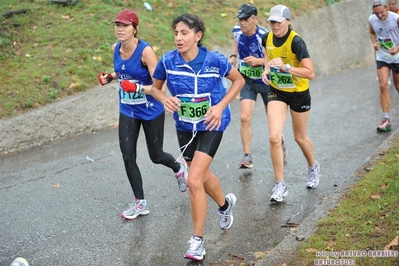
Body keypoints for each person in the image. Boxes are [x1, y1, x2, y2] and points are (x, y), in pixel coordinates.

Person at [151, 14, 244, 261]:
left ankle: (197, 241)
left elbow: (238, 80)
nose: (178, 38)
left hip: (212, 123)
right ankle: (225, 205)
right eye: (176, 33)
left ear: (197, 36)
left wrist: (221, 105)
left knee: (193, 181)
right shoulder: (168, 61)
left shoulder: (215, 60)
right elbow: (155, 88)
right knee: (202, 176)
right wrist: (165, 99)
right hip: (185, 126)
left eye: (184, 33)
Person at [97, 9, 188, 220]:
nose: (120, 30)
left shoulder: (145, 52)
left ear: (134, 29)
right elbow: (123, 72)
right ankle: (140, 203)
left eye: (125, 26)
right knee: (127, 154)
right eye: (117, 25)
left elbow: (159, 87)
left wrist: (137, 88)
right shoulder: (115, 49)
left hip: (150, 109)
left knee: (156, 155)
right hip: (128, 109)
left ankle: (178, 167)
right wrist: (111, 77)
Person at [261, 5, 320, 202]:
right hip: (277, 91)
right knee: (274, 138)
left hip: (298, 93)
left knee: (300, 137)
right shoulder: (266, 38)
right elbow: (267, 56)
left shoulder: (297, 42)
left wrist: (286, 67)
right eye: (272, 21)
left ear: (288, 21)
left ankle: (313, 167)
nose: (275, 25)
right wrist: (266, 70)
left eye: (278, 21)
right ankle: (280, 185)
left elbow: (310, 72)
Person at [231, 3, 287, 169]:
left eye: (246, 19)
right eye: (240, 19)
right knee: (244, 117)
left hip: (265, 80)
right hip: (246, 79)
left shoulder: (265, 35)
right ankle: (247, 156)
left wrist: (259, 61)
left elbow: (274, 59)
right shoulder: (236, 31)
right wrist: (233, 56)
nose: (242, 23)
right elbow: (235, 41)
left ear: (254, 18)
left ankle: (280, 140)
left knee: (272, 119)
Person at [369, 0, 399, 132]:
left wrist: (398, 48)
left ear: (387, 8)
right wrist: (374, 43)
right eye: (376, 13)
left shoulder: (396, 19)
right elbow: (372, 33)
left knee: (398, 86)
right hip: (382, 56)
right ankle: (386, 119)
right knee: (383, 85)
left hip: (397, 56)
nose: (379, 16)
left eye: (381, 12)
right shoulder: (372, 19)